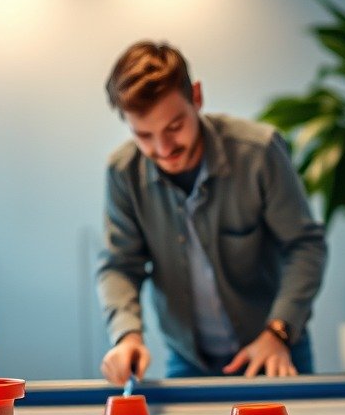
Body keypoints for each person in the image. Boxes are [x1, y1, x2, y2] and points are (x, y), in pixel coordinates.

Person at [96, 40, 327, 384]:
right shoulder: (122, 172)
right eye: (144, 135)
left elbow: (305, 245)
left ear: (197, 97)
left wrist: (278, 333)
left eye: (174, 127)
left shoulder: (258, 152)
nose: (163, 149)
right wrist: (127, 335)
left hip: (274, 348)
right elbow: (120, 265)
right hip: (189, 359)